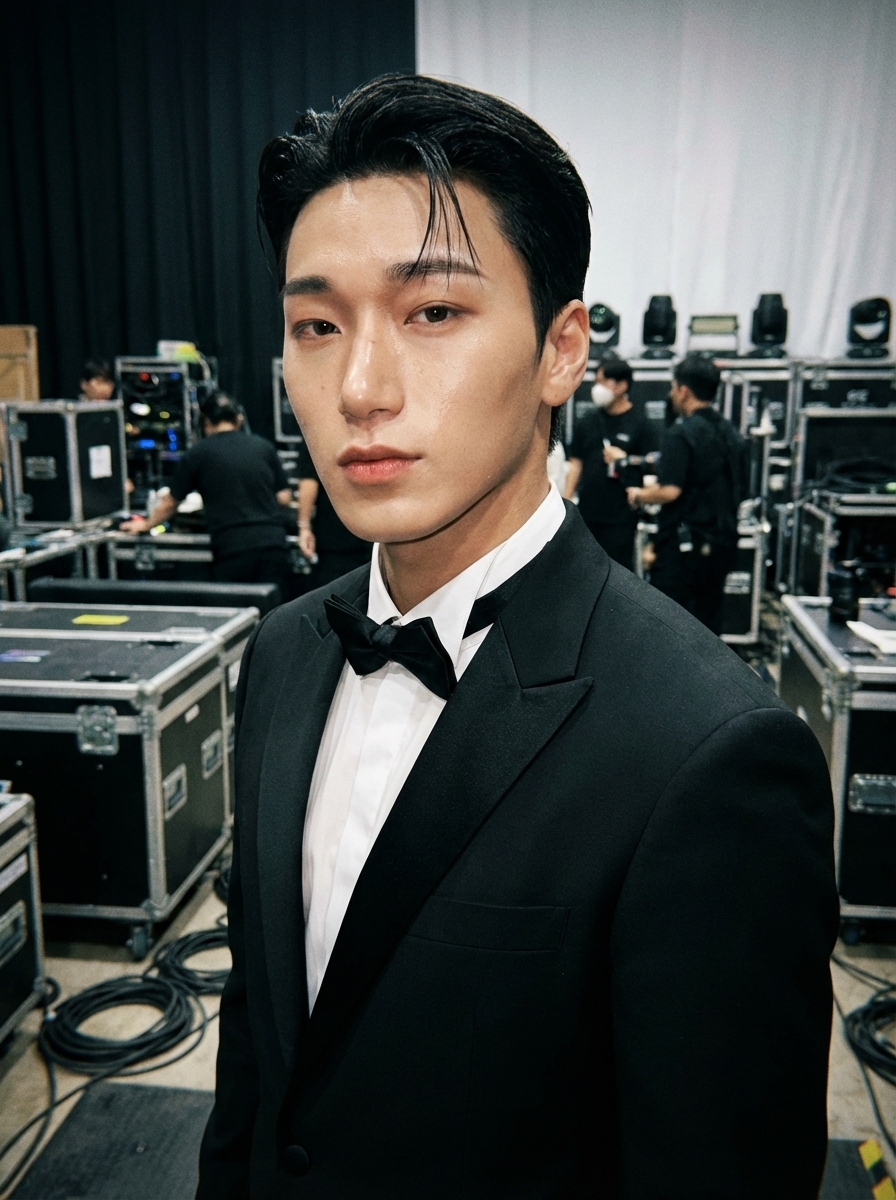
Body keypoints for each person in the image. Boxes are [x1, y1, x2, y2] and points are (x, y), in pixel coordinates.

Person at [198, 75, 837, 1200]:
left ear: (560, 350)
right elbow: (256, 1054)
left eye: (433, 313)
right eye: (316, 326)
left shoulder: (706, 753)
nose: (359, 388)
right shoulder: (285, 653)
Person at [120, 393, 293, 592]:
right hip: (273, 543)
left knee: (240, 608)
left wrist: (146, 524)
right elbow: (284, 498)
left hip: (232, 548)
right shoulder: (264, 447)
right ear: (238, 419)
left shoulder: (197, 454)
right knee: (274, 608)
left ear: (206, 422)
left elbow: (170, 503)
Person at [627, 355, 747, 634]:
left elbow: (670, 490)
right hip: (722, 544)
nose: (671, 394)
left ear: (683, 391)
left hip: (684, 551)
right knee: (708, 626)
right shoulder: (731, 432)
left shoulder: (680, 434)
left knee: (669, 628)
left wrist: (639, 495)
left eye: (673, 387)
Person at [564, 357, 653, 569]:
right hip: (587, 513)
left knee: (616, 571)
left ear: (622, 386)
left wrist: (625, 459)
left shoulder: (640, 424)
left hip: (620, 518)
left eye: (604, 381)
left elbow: (651, 467)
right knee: (584, 570)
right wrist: (566, 501)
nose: (597, 388)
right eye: (596, 381)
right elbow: (576, 463)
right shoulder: (588, 421)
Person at [296, 439, 372, 587]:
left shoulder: (319, 436)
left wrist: (304, 527)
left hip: (335, 537)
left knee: (336, 590)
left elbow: (309, 482)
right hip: (370, 533)